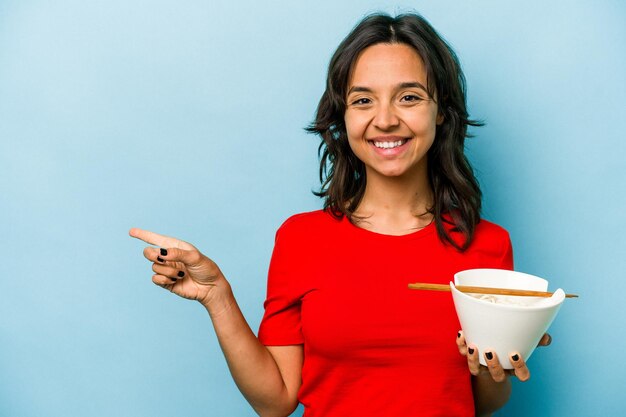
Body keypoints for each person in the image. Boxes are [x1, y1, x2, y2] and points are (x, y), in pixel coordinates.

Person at [130, 12, 551, 417]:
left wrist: (501, 361)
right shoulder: (300, 239)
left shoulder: (488, 245)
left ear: (440, 111)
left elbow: (484, 401)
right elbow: (275, 402)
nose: (385, 120)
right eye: (363, 100)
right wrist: (216, 295)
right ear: (343, 116)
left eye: (409, 97)